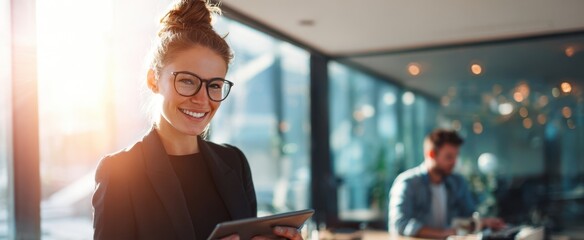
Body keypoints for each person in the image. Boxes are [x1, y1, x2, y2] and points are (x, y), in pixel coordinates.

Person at [91, 1, 303, 239]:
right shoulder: (119, 171)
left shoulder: (234, 162)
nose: (202, 99)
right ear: (153, 80)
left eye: (214, 85)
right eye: (187, 81)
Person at [388, 129, 505, 239]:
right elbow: (399, 224)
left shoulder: (457, 182)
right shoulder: (407, 183)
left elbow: (468, 215)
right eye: (449, 157)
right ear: (431, 154)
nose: (454, 162)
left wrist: (482, 222)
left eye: (456, 156)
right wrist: (445, 233)